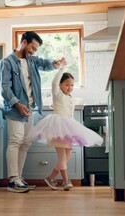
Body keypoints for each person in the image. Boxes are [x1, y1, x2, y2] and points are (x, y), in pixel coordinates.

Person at [0, 31, 63, 193]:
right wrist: (17, 104)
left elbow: (45, 63)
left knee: (26, 143)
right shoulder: (7, 62)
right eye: (32, 47)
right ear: (24, 42)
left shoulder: (32, 61)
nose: (33, 51)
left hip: (29, 109)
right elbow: (5, 88)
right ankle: (12, 180)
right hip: (14, 109)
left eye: (36, 49)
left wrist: (54, 64)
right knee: (16, 141)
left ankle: (19, 178)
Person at [27, 58, 103, 191]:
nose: (70, 87)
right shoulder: (57, 94)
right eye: (67, 84)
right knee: (62, 155)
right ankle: (66, 180)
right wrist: (61, 68)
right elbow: (54, 82)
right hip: (57, 127)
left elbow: (70, 115)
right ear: (61, 85)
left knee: (68, 155)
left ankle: (51, 177)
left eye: (72, 85)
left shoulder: (70, 98)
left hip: (68, 127)